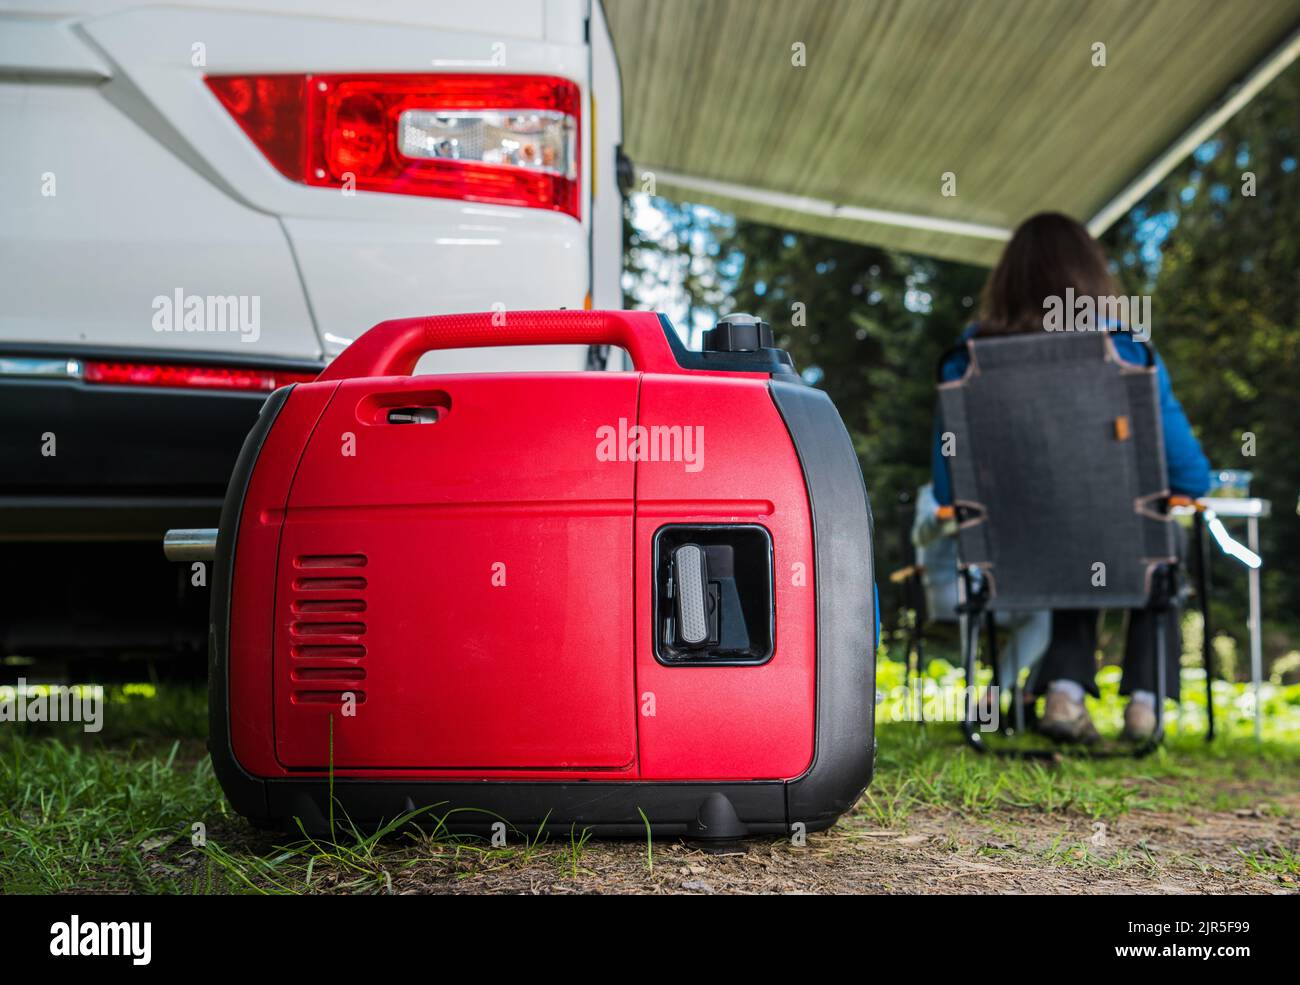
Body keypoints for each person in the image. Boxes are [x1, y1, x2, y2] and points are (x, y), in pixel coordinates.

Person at [931, 212, 1210, 743]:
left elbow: (950, 488)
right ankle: (1144, 705)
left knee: (1076, 538)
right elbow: (1190, 477)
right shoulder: (1127, 352)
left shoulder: (964, 361)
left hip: (1009, 550)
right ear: (1092, 277)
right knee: (1148, 541)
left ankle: (1064, 690)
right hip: (1111, 540)